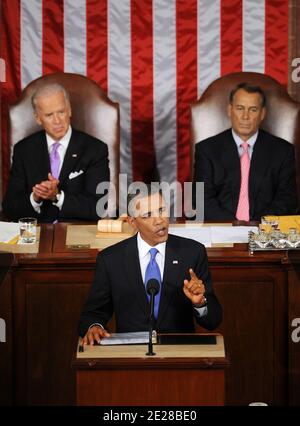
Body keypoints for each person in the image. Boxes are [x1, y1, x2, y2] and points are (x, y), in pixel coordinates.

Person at [78, 186, 222, 344]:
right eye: (148, 215)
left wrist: (200, 303)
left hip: (178, 355)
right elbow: (93, 313)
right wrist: (94, 327)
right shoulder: (111, 259)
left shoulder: (192, 253)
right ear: (132, 222)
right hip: (131, 356)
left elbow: (213, 321)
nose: (160, 220)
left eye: (162, 210)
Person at [2, 83, 110, 222]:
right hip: (36, 233)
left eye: (61, 112)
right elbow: (10, 207)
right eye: (49, 115)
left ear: (69, 110)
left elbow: (98, 207)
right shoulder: (23, 150)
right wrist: (35, 197)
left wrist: (57, 196)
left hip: (77, 233)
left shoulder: (95, 149)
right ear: (38, 118)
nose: (57, 121)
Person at [193, 82, 298, 221]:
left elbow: (288, 200)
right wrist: (234, 227)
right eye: (240, 108)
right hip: (221, 231)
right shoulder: (207, 150)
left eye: (253, 109)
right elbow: (201, 200)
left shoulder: (283, 151)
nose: (245, 116)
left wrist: (257, 226)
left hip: (264, 232)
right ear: (230, 110)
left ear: (262, 114)